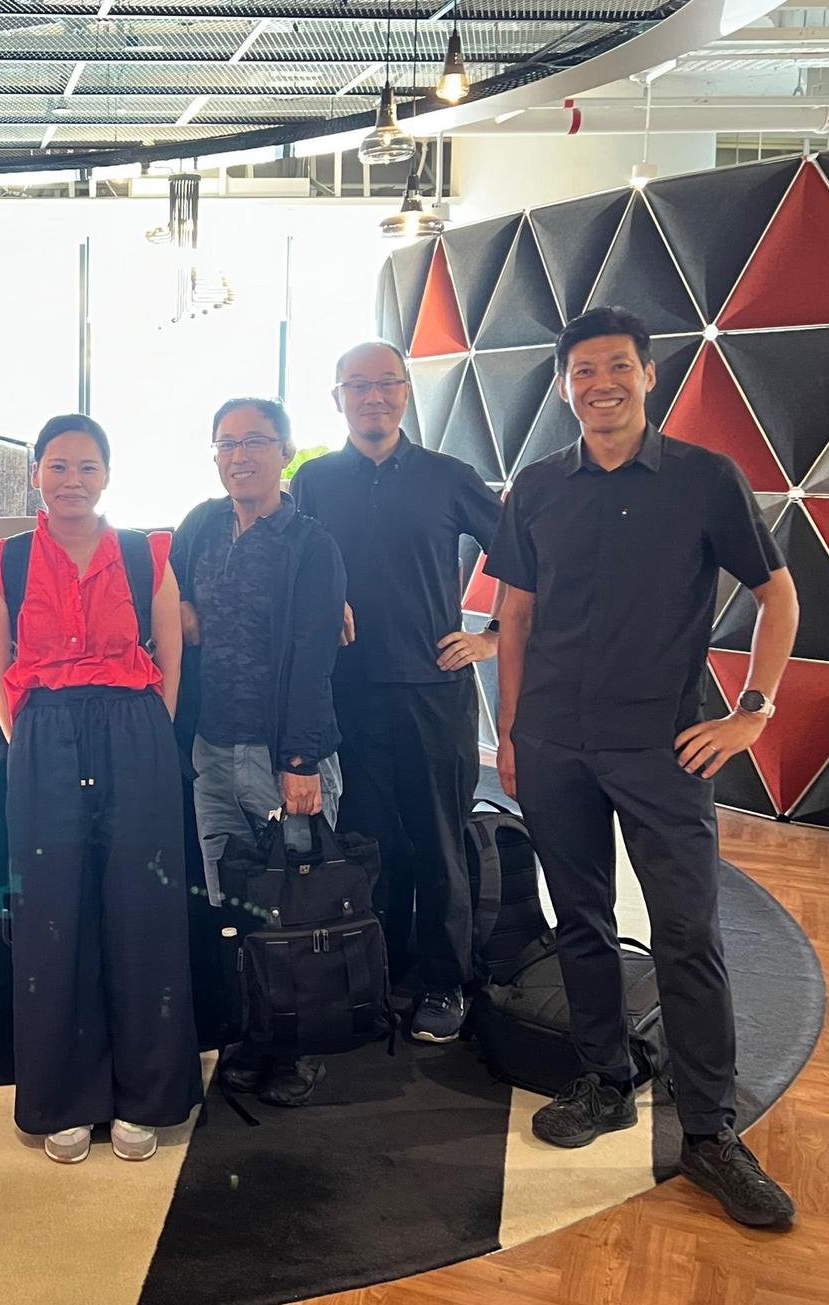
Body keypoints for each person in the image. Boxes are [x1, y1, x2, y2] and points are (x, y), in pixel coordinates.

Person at [487, 306, 801, 1230]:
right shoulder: (538, 486)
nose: (601, 384)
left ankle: (709, 1132)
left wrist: (753, 712)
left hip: (664, 747)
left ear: (649, 375)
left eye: (617, 366)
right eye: (583, 371)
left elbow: (778, 595)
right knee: (579, 920)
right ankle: (605, 1078)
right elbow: (516, 614)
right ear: (563, 386)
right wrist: (510, 730)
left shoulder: (705, 479)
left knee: (687, 933)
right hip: (553, 741)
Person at [0, 414, 199, 1165]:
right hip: (45, 732)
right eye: (59, 465)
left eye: (87, 466)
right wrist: (32, 740)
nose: (73, 480)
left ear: (108, 474)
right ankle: (63, 1099)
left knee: (143, 908)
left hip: (134, 726)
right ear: (36, 472)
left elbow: (169, 656)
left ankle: (147, 1097)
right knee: (53, 912)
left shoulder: (143, 553)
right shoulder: (4, 560)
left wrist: (149, 732)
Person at [291, 344, 503, 1043]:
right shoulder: (314, 479)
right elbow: (295, 562)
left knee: (438, 840)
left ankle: (445, 981)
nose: (373, 396)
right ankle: (376, 972)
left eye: (386, 383)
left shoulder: (449, 477)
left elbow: (526, 556)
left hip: (432, 690)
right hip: (347, 692)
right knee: (369, 843)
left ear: (407, 392)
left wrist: (493, 636)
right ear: (338, 398)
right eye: (358, 385)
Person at [171, 397, 346, 1106]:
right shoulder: (199, 526)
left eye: (255, 441)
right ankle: (255, 1035)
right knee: (238, 904)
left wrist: (300, 761)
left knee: (299, 907)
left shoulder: (311, 545)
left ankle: (299, 1047)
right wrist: (179, 605)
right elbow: (164, 589)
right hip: (212, 750)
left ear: (285, 453)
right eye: (227, 443)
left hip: (284, 757)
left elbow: (313, 660)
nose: (239, 455)